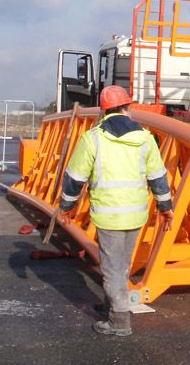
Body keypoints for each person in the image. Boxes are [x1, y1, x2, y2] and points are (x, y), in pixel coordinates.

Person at [59, 85, 174, 336]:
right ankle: (112, 306)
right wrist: (166, 208)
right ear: (127, 107)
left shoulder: (93, 138)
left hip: (109, 215)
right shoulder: (145, 138)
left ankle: (119, 322)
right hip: (135, 214)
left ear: (104, 111)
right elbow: (159, 178)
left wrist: (66, 207)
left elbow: (74, 179)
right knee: (121, 266)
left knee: (112, 268)